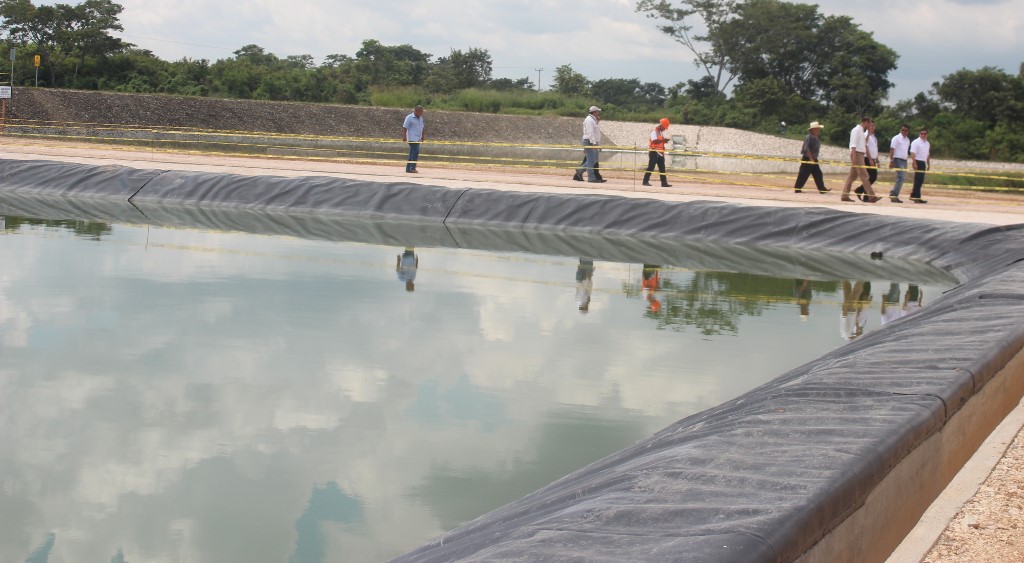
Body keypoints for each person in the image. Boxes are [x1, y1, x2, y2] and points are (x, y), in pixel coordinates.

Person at [841, 117, 882, 203]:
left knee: (852, 177)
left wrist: (868, 134)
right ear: (866, 122)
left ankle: (844, 195)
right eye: (869, 124)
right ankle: (871, 196)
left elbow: (864, 143)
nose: (870, 126)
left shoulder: (861, 131)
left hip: (860, 154)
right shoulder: (856, 130)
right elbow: (853, 143)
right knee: (864, 176)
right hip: (857, 153)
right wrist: (854, 155)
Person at [793, 121, 831, 194]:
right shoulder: (809, 137)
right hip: (808, 158)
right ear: (813, 129)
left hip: (814, 158)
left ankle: (822, 189)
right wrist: (810, 158)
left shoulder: (815, 137)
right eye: (817, 129)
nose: (818, 130)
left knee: (818, 174)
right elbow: (806, 148)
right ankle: (797, 188)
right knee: (803, 174)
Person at [573, 106, 606, 183]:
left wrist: (598, 144)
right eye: (597, 112)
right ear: (594, 112)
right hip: (589, 141)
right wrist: (594, 144)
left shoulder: (593, 120)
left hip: (592, 141)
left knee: (594, 160)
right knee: (591, 161)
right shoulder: (589, 120)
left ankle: (580, 170)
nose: (599, 113)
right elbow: (590, 133)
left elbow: (596, 134)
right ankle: (591, 178)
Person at [642, 118, 672, 187]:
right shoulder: (654, 132)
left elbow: (659, 141)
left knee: (662, 168)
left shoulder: (660, 133)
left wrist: (663, 141)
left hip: (660, 152)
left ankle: (664, 183)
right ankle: (645, 181)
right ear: (661, 126)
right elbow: (654, 141)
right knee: (651, 167)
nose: (665, 129)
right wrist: (663, 140)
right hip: (654, 152)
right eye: (664, 128)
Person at [855, 120, 879, 200]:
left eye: (873, 125)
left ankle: (862, 192)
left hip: (873, 159)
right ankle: (864, 193)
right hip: (867, 159)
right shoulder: (865, 135)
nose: (872, 127)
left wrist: (877, 160)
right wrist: (870, 159)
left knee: (872, 177)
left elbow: (875, 149)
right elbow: (866, 148)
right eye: (870, 125)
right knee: (871, 177)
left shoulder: (874, 137)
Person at [888, 124, 911, 203]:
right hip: (897, 159)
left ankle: (894, 194)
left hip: (904, 160)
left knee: (902, 177)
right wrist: (891, 160)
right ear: (900, 130)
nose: (904, 132)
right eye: (902, 130)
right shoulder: (896, 138)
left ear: (908, 131)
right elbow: (892, 149)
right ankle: (894, 194)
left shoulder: (907, 140)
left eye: (905, 130)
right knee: (901, 177)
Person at [909, 128, 931, 203]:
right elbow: (912, 153)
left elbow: (927, 154)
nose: (923, 135)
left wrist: (928, 164)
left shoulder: (927, 143)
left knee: (920, 180)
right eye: (921, 133)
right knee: (918, 180)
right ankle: (916, 197)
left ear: (927, 135)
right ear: (919, 134)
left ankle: (914, 195)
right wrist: (914, 162)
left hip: (923, 162)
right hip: (917, 161)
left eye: (925, 134)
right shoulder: (916, 142)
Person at [402, 105, 425, 173]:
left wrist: (423, 136)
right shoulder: (409, 117)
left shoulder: (421, 118)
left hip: (418, 138)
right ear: (416, 111)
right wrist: (404, 136)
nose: (421, 113)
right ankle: (412, 168)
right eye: (420, 112)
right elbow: (405, 127)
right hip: (412, 138)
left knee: (412, 153)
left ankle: (408, 168)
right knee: (415, 152)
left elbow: (422, 127)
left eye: (422, 112)